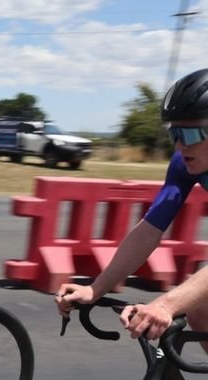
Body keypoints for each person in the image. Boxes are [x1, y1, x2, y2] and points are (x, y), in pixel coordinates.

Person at [55, 68, 208, 349]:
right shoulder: (182, 163)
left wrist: (165, 304)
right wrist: (95, 288)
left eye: (188, 134)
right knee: (201, 310)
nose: (178, 145)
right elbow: (149, 230)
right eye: (174, 133)